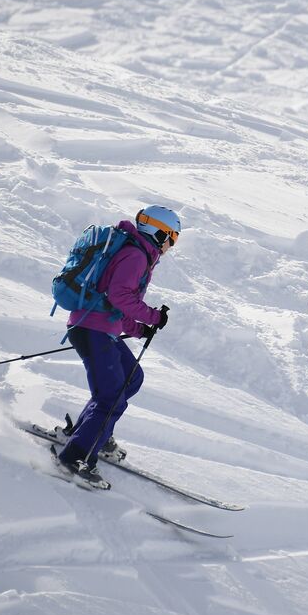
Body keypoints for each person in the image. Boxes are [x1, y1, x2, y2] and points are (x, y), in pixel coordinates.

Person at [54, 205, 180, 488]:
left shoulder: (136, 253)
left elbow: (114, 304)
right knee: (110, 396)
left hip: (98, 327)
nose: (172, 244)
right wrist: (153, 316)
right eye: (172, 237)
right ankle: (76, 456)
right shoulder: (136, 255)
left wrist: (139, 328)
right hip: (92, 329)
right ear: (159, 232)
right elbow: (121, 296)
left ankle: (91, 432)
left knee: (131, 377)